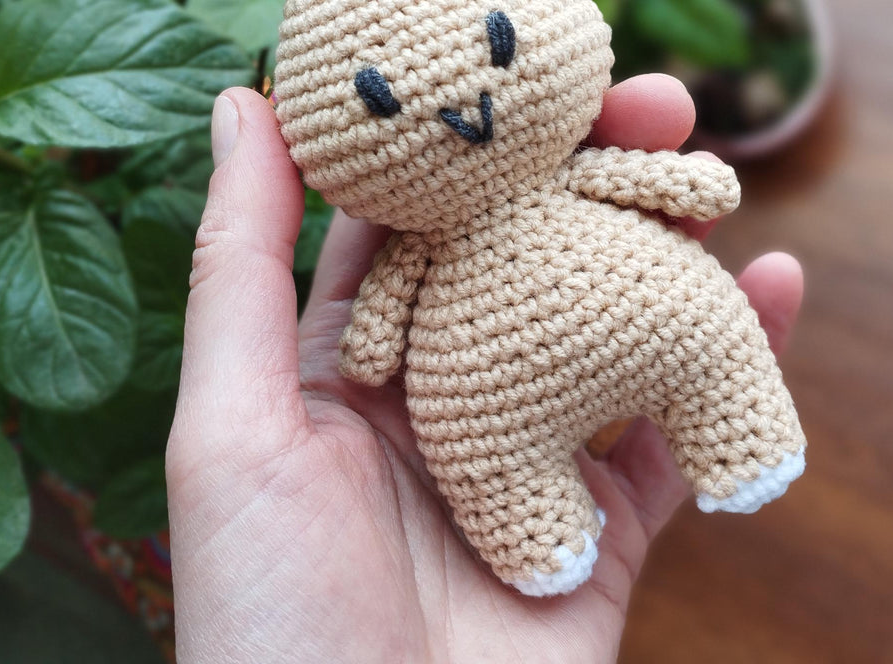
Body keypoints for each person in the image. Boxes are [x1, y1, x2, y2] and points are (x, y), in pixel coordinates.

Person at [167, 74, 804, 662]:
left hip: (516, 355)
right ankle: (544, 531)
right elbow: (369, 345)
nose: (457, 109)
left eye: (500, 46)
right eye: (383, 100)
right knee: (493, 442)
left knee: (696, 339)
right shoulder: (424, 239)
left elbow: (370, 348)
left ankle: (735, 435)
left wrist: (372, 342)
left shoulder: (556, 179)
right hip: (505, 378)